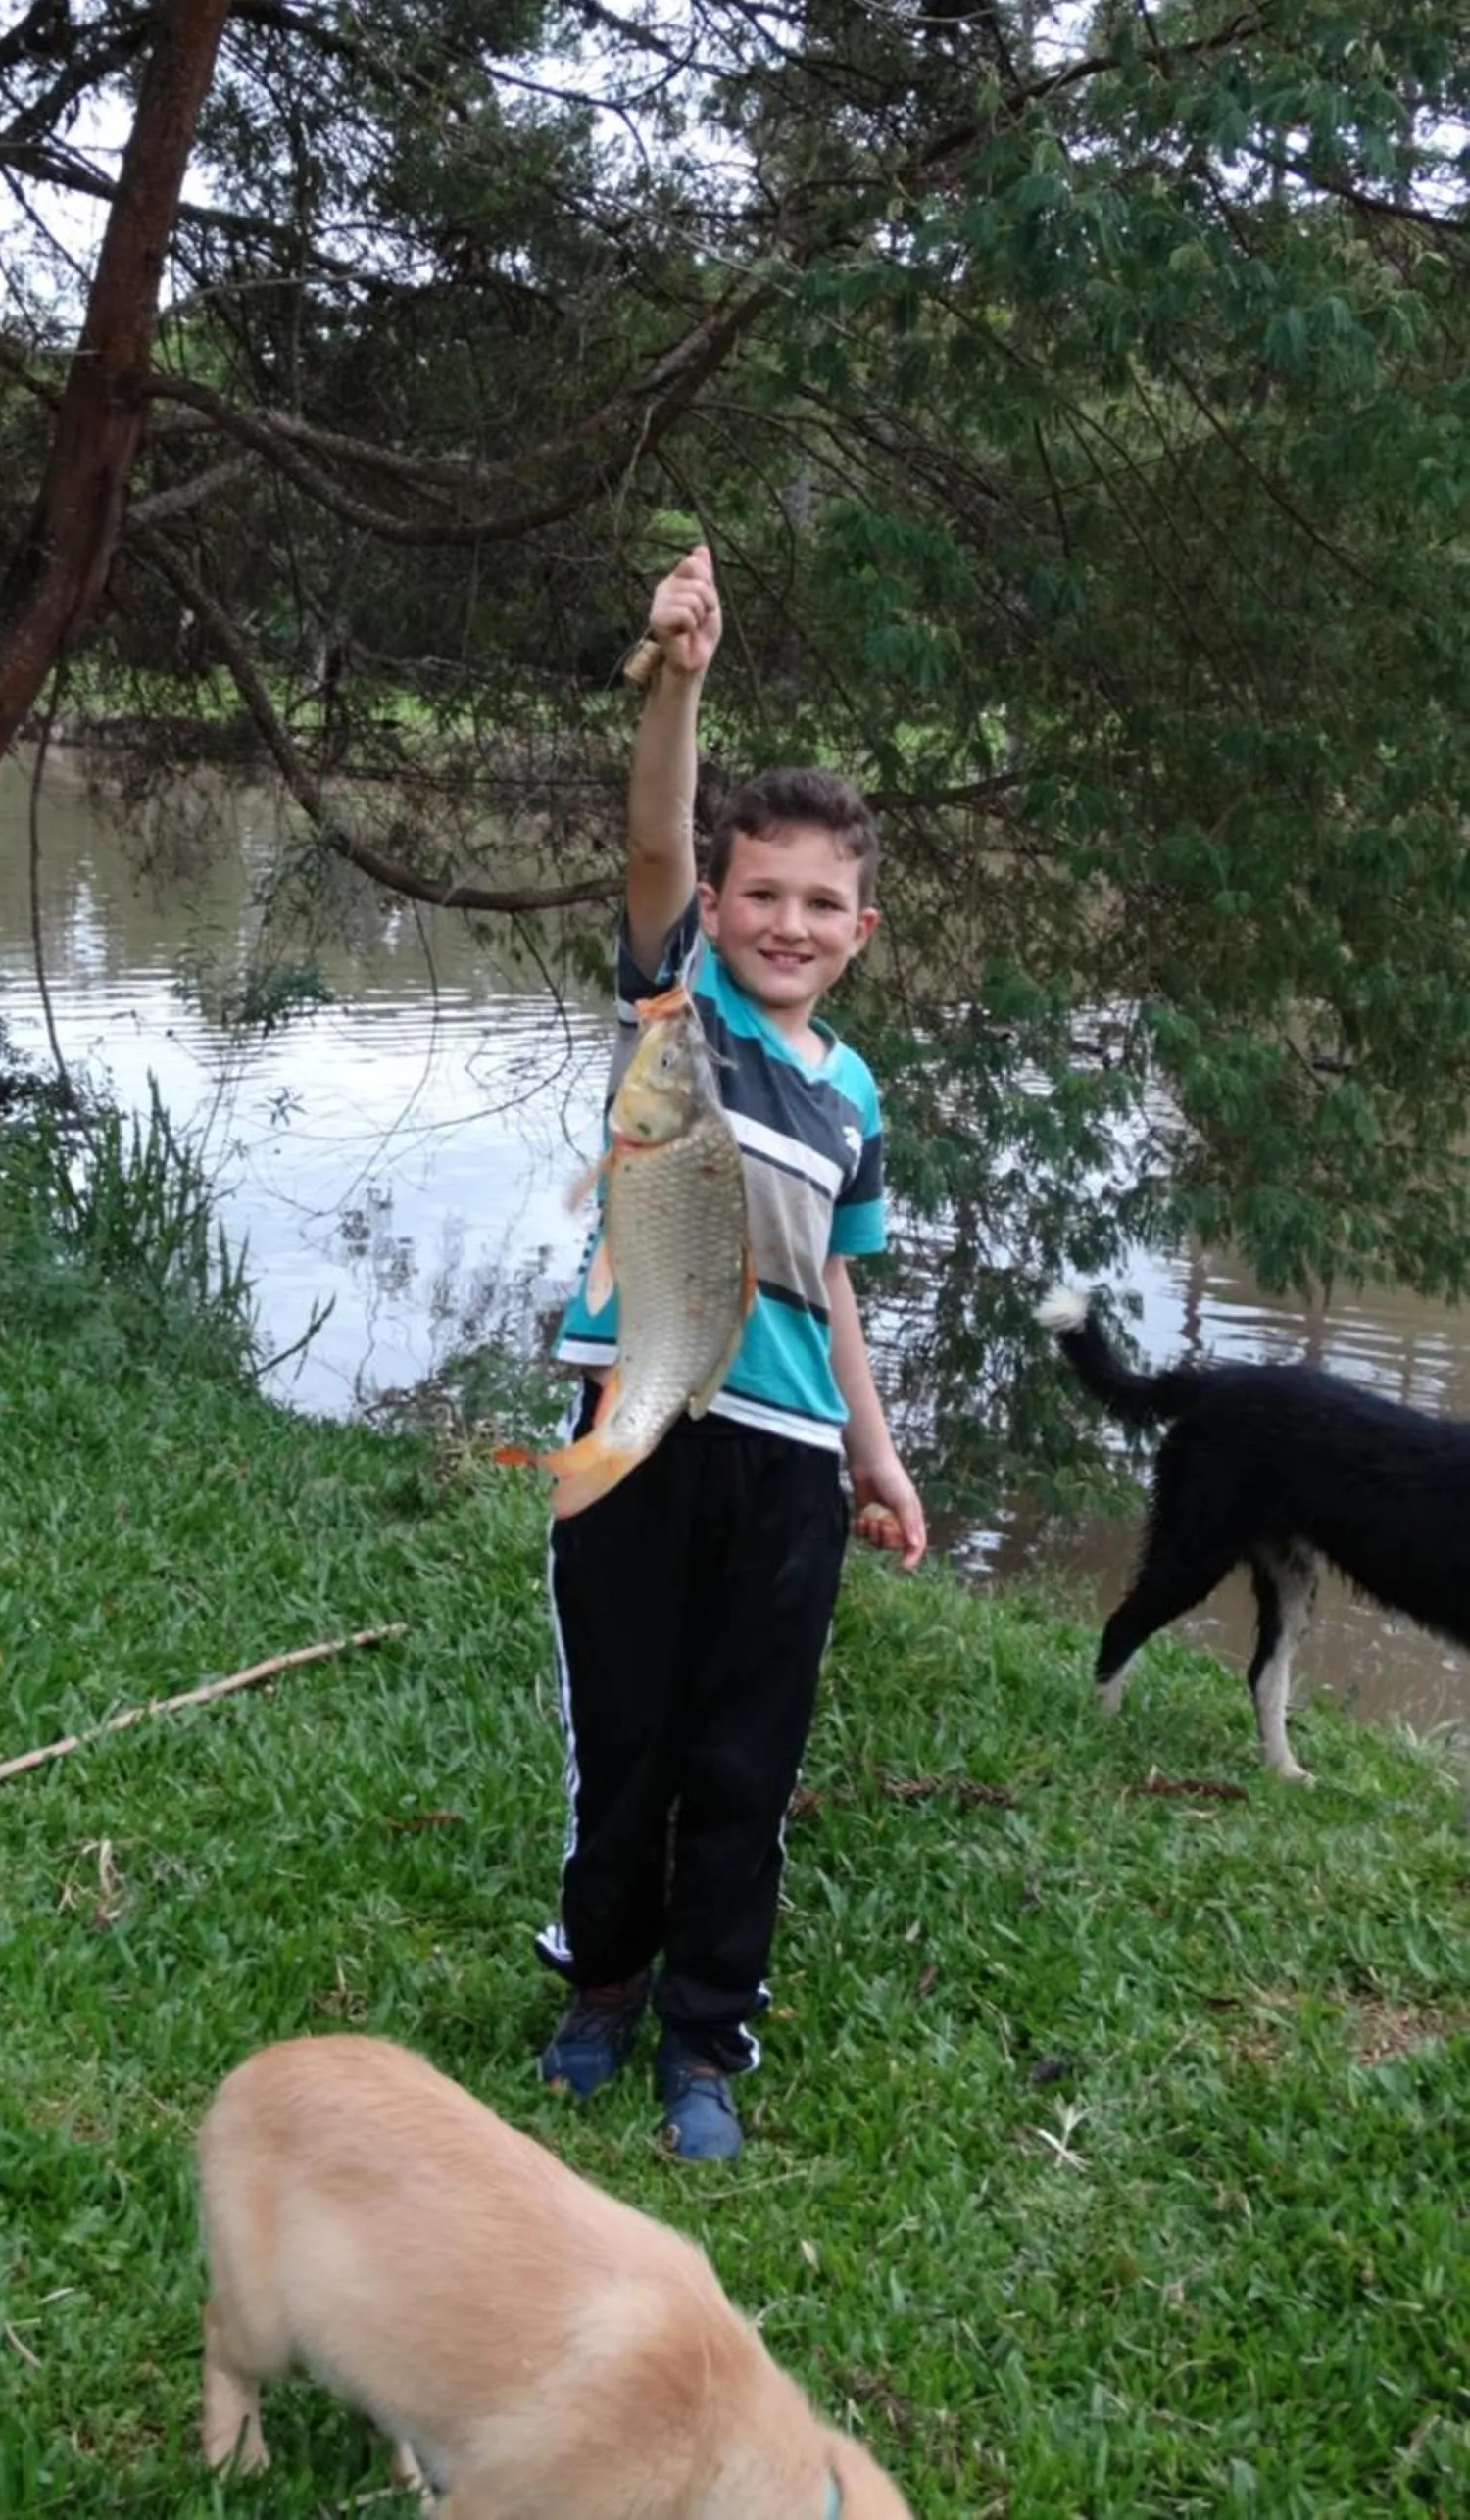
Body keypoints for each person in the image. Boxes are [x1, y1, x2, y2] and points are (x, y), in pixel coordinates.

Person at [533, 541, 928, 2162]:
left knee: (742, 1757)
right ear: (713, 910)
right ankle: (603, 1983)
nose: (783, 920)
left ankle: (705, 2033)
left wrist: (875, 1453)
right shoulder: (674, 1011)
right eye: (756, 893)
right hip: (633, 1420)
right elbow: (645, 834)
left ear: (859, 930)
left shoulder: (855, 1101)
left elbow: (836, 1292)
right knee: (622, 1729)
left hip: (777, 1464)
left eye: (816, 904)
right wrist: (679, 680)